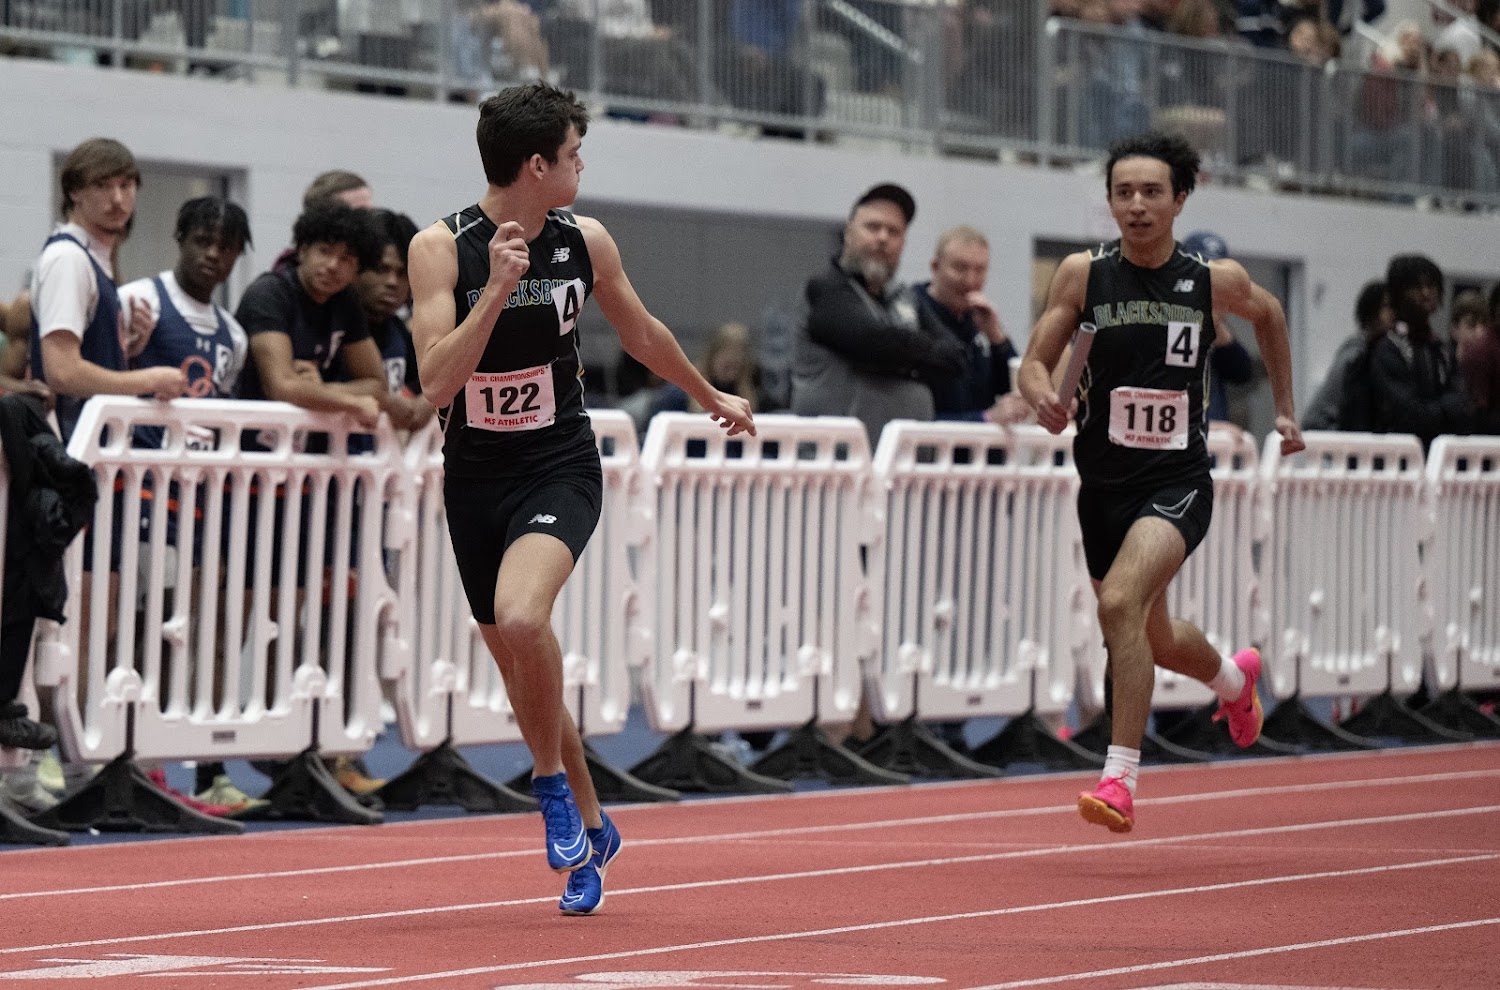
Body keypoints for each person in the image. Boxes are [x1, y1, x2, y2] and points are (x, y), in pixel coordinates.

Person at [406, 82, 754, 916]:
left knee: (524, 620)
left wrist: (707, 393)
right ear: (536, 165)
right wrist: (496, 290)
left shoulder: (583, 240)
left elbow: (641, 332)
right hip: (476, 477)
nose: (581, 166)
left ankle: (550, 788)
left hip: (559, 461)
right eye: (573, 153)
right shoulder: (440, 248)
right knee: (523, 670)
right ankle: (594, 829)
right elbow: (435, 383)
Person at [1017, 131, 1305, 833]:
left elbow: (1270, 315)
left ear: (1180, 199)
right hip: (1103, 486)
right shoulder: (1082, 275)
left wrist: (1286, 409)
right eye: (1123, 193)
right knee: (1155, 634)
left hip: (1176, 481)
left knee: (1118, 603)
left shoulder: (1212, 280)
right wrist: (1043, 398)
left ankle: (1119, 779)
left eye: (1152, 192)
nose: (1137, 206)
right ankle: (1234, 681)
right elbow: (1033, 364)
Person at [30, 138, 186, 443]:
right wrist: (148, 379)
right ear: (74, 192)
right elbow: (62, 372)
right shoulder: (68, 259)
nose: (117, 199)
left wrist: (126, 347)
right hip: (72, 450)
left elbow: (82, 360)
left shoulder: (94, 259)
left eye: (126, 185)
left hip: (93, 446)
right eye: (102, 185)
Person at [790, 182, 966, 449]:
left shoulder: (907, 298)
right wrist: (918, 358)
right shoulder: (824, 290)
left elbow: (956, 357)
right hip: (834, 462)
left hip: (904, 463)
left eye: (894, 231)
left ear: (903, 242)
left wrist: (897, 355)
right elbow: (871, 342)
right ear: (849, 233)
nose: (883, 238)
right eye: (872, 227)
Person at [914, 225, 1028, 426]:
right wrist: (984, 419)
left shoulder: (978, 318)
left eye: (980, 270)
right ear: (935, 266)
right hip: (928, 442)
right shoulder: (911, 313)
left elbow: (1017, 389)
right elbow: (912, 415)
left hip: (979, 445)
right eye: (960, 268)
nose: (970, 280)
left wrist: (997, 338)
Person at [1367, 254, 1473, 451]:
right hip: (1396, 457)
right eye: (1417, 287)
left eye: (1431, 286)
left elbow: (1463, 407)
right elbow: (1409, 415)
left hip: (1439, 456)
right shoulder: (1387, 348)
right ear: (1399, 293)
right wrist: (1445, 410)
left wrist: (1440, 411)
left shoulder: (1441, 349)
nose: (1426, 293)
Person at [1179, 231, 1257, 427]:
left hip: (1212, 441)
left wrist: (1215, 324)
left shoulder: (1216, 327)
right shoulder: (1165, 319)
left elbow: (1242, 372)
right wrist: (1209, 426)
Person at [1301, 279, 1393, 431]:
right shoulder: (1355, 353)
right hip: (1327, 428)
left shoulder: (1383, 352)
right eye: (1387, 306)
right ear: (1371, 311)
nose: (1392, 313)